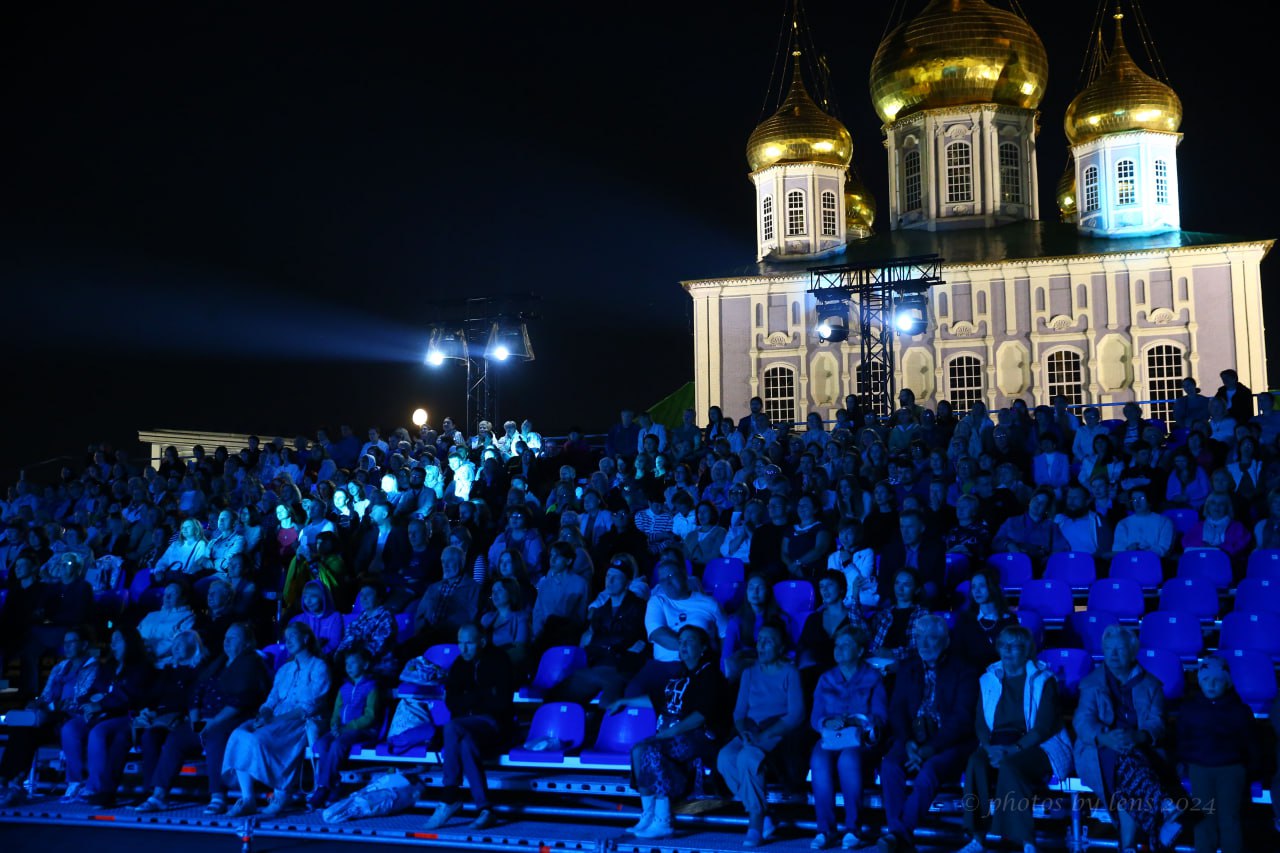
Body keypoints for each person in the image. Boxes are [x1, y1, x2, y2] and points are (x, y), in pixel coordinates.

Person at [133, 622, 270, 814]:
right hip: (205, 721)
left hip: (231, 721)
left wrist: (212, 723)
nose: (227, 641)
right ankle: (158, 795)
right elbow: (196, 692)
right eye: (226, 637)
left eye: (233, 638)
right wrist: (196, 720)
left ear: (247, 643)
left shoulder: (252, 664)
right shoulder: (218, 662)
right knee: (177, 738)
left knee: (215, 738)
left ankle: (217, 796)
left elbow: (242, 699)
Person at [957, 625, 1072, 853]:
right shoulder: (988, 679)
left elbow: (1042, 728)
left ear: (1026, 650)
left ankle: (1027, 843)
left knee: (1010, 766)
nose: (1008, 650)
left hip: (1038, 744)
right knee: (976, 763)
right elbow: (980, 723)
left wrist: (1011, 750)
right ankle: (977, 839)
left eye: (1015, 646)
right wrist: (989, 748)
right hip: (995, 743)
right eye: (1004, 645)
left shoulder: (1044, 679)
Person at [610, 625, 729, 840]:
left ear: (702, 647)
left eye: (689, 641)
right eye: (681, 641)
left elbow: (701, 715)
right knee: (638, 749)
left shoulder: (710, 674)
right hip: (677, 736)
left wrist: (670, 732)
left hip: (701, 737)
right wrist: (623, 701)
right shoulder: (680, 674)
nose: (683, 645)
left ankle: (663, 820)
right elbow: (657, 701)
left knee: (652, 749)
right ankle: (648, 814)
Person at [1073, 625, 1185, 853]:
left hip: (1142, 748)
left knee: (1126, 774)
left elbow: (1158, 723)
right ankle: (1162, 810)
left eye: (1120, 649)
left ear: (1133, 652)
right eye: (1108, 649)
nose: (1113, 655)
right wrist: (1104, 737)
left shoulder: (1151, 685)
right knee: (1123, 757)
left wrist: (1139, 735)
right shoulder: (1091, 683)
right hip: (1099, 750)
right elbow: (1082, 722)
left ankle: (1129, 847)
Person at [877, 614, 978, 853]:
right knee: (890, 765)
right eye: (920, 638)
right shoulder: (908, 668)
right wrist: (907, 741)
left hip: (949, 741)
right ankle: (898, 835)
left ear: (945, 641)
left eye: (932, 638)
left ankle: (897, 835)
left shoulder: (964, 671)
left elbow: (962, 719)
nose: (924, 644)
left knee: (929, 771)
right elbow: (897, 709)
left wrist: (930, 748)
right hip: (914, 737)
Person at [223, 621, 331, 817]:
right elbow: (272, 699)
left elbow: (310, 706)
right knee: (239, 733)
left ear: (305, 638)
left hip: (299, 721)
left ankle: (281, 794)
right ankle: (248, 799)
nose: (287, 641)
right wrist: (264, 714)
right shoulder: (285, 669)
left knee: (259, 739)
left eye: (293, 637)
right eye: (286, 637)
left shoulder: (319, 666)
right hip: (275, 718)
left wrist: (275, 720)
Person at [717, 622, 806, 847]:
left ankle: (755, 821)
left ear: (780, 647)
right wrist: (745, 733)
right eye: (760, 640)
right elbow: (738, 713)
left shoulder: (790, 672)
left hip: (776, 730)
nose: (762, 645)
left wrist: (763, 735)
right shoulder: (748, 673)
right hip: (750, 730)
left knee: (747, 758)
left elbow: (796, 715)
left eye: (769, 641)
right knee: (725, 758)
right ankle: (764, 813)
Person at [421, 623, 516, 831]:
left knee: (452, 727)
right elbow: (451, 702)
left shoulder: (499, 660)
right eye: (460, 643)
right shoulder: (459, 664)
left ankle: (449, 796)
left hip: (494, 724)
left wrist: (469, 700)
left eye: (469, 643)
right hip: (467, 727)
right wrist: (480, 696)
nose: (463, 649)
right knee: (465, 744)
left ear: (482, 641)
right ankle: (486, 809)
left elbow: (500, 702)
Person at [809, 623, 888, 851]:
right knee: (819, 760)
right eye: (837, 645)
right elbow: (816, 718)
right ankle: (826, 829)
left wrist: (857, 720)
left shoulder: (873, 677)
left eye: (846, 645)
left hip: (858, 737)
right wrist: (827, 722)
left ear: (860, 651)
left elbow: (881, 716)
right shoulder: (826, 678)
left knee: (848, 759)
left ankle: (853, 828)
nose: (839, 649)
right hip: (832, 735)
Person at [0, 626, 100, 806]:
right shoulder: (60, 667)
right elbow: (46, 696)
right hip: (54, 719)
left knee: (36, 725)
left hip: (73, 720)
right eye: (65, 642)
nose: (67, 646)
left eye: (72, 642)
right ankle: (10, 781)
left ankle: (13, 783)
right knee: (22, 729)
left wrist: (50, 709)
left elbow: (78, 701)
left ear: (84, 645)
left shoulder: (93, 667)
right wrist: (36, 704)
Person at [63, 625, 154, 806]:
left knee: (98, 732)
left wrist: (101, 703)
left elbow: (129, 696)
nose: (113, 645)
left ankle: (93, 787)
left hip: (125, 716)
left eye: (117, 641)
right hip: (102, 712)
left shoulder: (141, 667)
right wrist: (89, 703)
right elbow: (94, 690)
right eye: (111, 641)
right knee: (70, 728)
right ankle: (75, 782)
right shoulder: (108, 667)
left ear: (129, 642)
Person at [1175, 656, 1253, 853]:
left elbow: (1250, 743)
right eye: (1207, 679)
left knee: (1230, 819)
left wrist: (1252, 769)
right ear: (1200, 681)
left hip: (1231, 769)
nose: (1211, 684)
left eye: (1217, 679)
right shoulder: (1190, 709)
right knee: (1203, 819)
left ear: (1227, 682)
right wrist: (1183, 762)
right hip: (1200, 768)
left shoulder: (1240, 710)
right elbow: (1183, 739)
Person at [308, 646, 388, 809]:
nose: (349, 667)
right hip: (342, 729)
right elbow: (337, 711)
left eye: (353, 663)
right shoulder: (344, 688)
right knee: (322, 743)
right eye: (347, 664)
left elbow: (370, 716)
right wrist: (335, 726)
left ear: (365, 665)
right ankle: (333, 784)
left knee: (338, 744)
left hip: (364, 730)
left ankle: (323, 787)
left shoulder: (372, 687)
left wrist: (347, 728)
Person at [723, 573, 793, 681]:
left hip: (774, 668)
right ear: (746, 592)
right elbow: (726, 657)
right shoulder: (736, 620)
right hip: (745, 670)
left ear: (768, 591)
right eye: (751, 588)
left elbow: (789, 650)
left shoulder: (782, 619)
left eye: (760, 588)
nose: (755, 592)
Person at [950, 566, 1018, 669]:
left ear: (992, 587)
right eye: (973, 587)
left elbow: (1015, 655)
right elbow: (958, 654)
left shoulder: (1009, 620)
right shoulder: (964, 620)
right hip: (972, 678)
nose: (976, 591)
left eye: (982, 586)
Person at [867, 569, 929, 662]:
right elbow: (862, 632)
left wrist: (891, 653)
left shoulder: (922, 615)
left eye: (906, 585)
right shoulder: (884, 614)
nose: (900, 589)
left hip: (907, 668)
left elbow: (918, 649)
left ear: (917, 589)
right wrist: (855, 598)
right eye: (897, 583)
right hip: (879, 665)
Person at [138, 580, 198, 666]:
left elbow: (177, 646)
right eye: (165, 593)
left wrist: (148, 652)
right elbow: (135, 635)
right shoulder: (151, 615)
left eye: (173, 594)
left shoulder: (188, 618)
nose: (167, 597)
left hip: (159, 663)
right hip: (136, 657)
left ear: (183, 599)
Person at [479, 576, 532, 670]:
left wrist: (494, 660)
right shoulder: (486, 618)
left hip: (507, 666)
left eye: (499, 590)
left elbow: (521, 651)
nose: (494, 594)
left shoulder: (521, 618)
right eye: (493, 591)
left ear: (510, 592)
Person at [291, 579, 345, 658]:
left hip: (327, 659)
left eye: (313, 597)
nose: (308, 601)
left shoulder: (335, 617)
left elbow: (335, 642)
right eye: (305, 597)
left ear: (323, 598)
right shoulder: (301, 619)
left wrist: (316, 655)